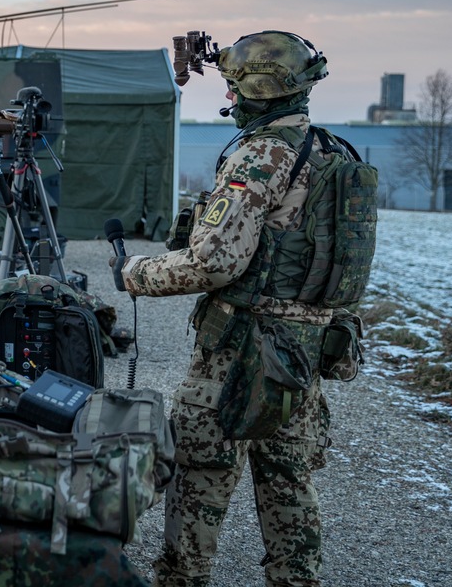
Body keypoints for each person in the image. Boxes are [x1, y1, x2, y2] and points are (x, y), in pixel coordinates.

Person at [115, 31, 369, 587]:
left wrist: (135, 274)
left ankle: (182, 580)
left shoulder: (261, 156)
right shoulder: (332, 153)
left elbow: (215, 262)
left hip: (239, 349)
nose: (230, 97)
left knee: (200, 473)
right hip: (304, 349)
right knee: (289, 482)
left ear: (255, 88)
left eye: (234, 85)